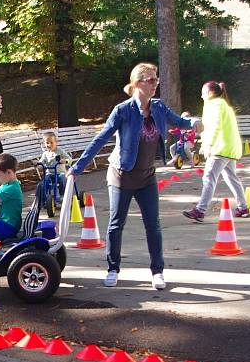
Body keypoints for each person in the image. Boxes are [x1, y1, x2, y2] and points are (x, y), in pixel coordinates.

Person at [67, 62, 200, 290]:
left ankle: (157, 272)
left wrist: (194, 122)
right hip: (121, 174)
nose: (155, 83)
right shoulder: (123, 110)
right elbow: (101, 138)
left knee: (153, 225)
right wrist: (77, 168)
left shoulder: (158, 107)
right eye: (151, 80)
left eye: (156, 79)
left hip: (147, 176)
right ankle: (113, 269)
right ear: (137, 83)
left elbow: (180, 122)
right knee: (116, 224)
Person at [182, 81, 249, 222]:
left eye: (203, 93)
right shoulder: (223, 104)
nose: (201, 96)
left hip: (220, 148)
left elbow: (215, 127)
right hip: (230, 148)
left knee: (209, 178)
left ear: (210, 93)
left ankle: (200, 210)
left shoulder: (216, 105)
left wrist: (208, 145)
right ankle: (243, 207)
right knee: (232, 178)